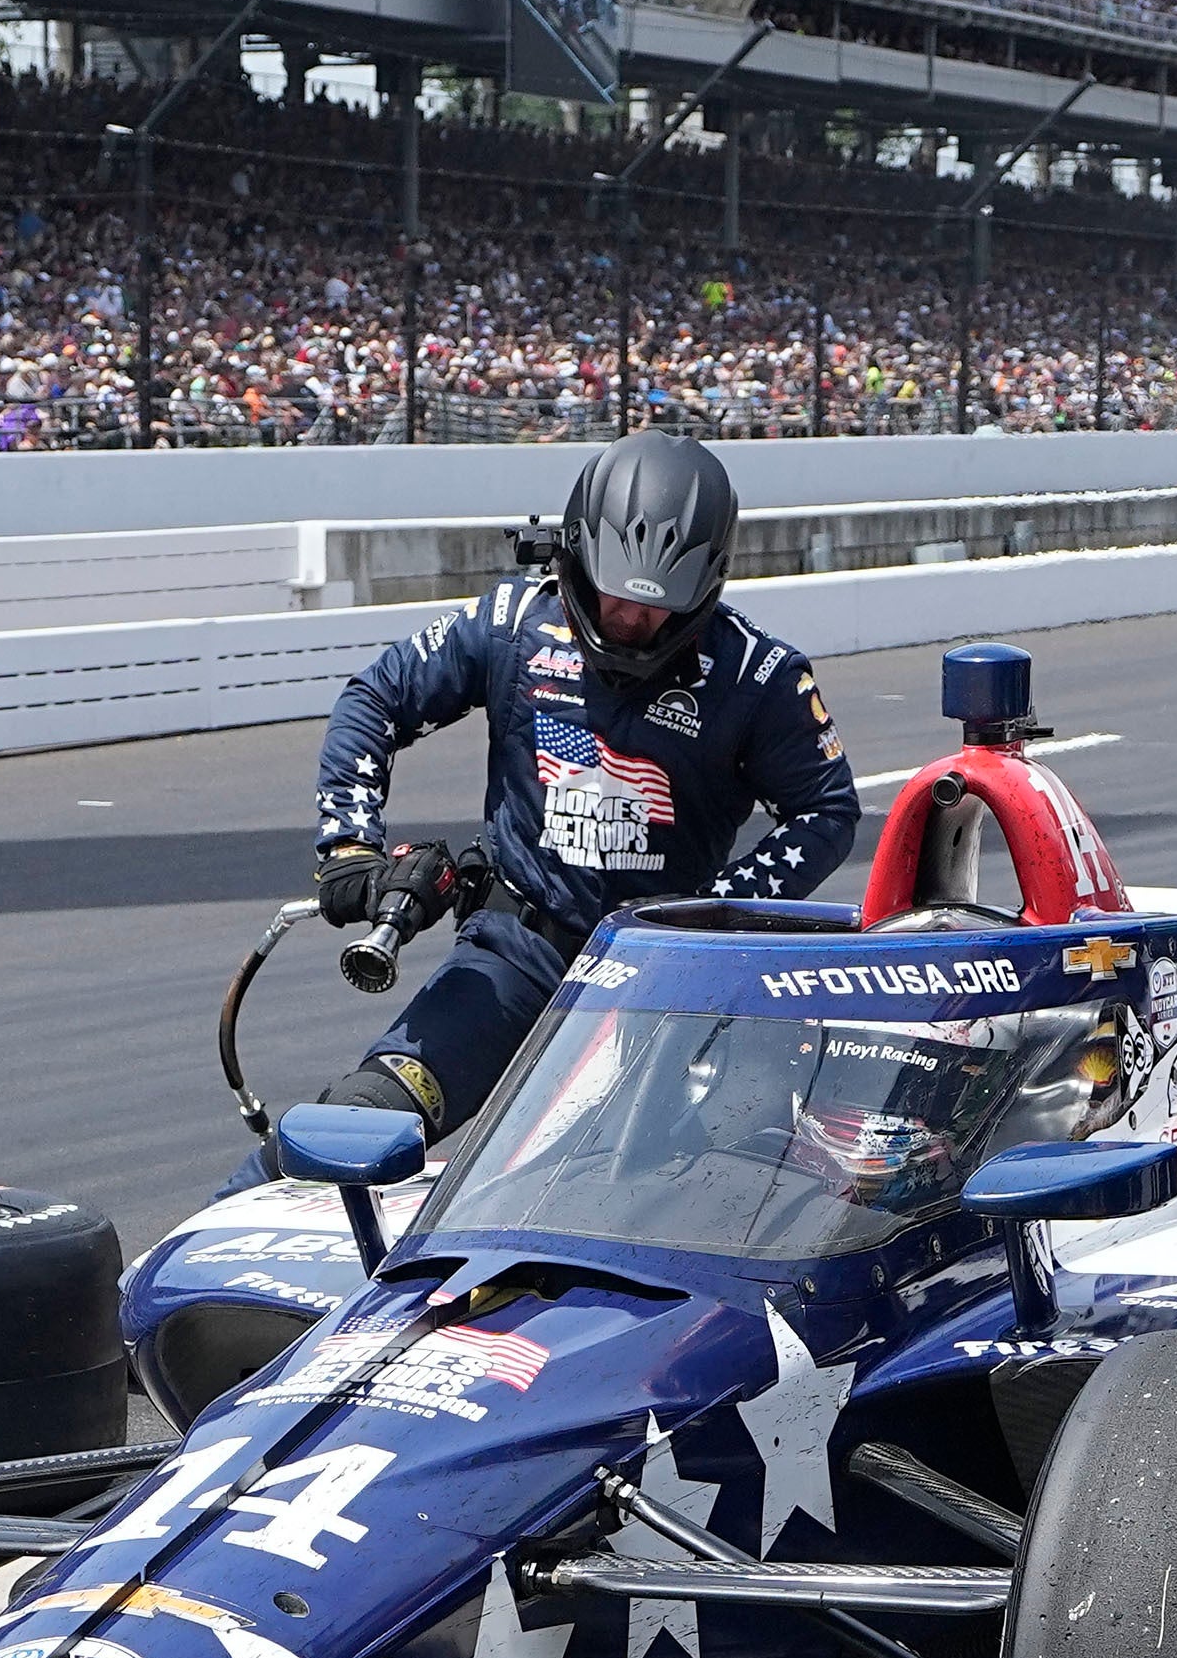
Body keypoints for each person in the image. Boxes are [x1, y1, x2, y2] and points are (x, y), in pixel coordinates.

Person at [302, 431, 858, 1142]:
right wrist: (350, 845)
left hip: (666, 971)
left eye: (656, 606)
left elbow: (827, 808)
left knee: (632, 1169)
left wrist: (713, 914)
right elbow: (375, 699)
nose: (630, 620)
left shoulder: (760, 676)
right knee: (367, 1117)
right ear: (574, 557)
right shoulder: (510, 623)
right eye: (613, 596)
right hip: (515, 949)